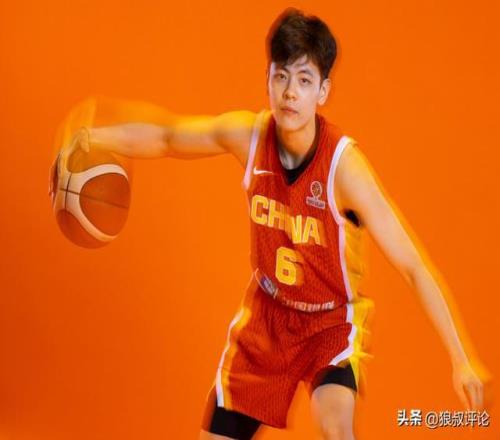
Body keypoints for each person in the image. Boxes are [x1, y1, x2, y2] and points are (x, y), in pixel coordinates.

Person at [50, 8, 489, 440]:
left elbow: (412, 265)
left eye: (304, 80)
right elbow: (168, 135)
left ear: (323, 90)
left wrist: (461, 358)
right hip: (267, 318)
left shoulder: (344, 169)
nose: (290, 93)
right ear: (267, 79)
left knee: (336, 426)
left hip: (329, 323)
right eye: (281, 76)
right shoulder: (248, 136)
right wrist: (93, 137)